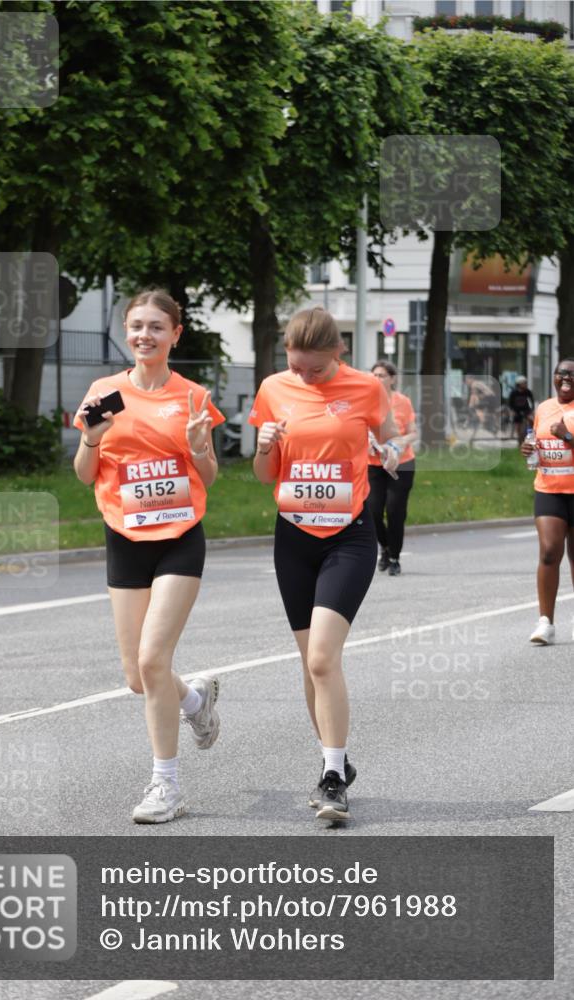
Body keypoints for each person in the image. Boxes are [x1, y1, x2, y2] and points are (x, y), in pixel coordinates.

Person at [73, 289, 225, 822]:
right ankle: (194, 701)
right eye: (136, 326)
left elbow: (209, 478)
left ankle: (167, 786)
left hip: (180, 537)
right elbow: (84, 474)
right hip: (124, 537)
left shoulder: (192, 397)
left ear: (175, 334)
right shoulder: (104, 392)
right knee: (137, 676)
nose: (145, 336)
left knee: (154, 660)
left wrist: (198, 445)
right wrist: (92, 439)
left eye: (157, 327)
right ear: (126, 331)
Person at [249, 307, 399, 822]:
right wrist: (264, 447)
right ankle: (336, 758)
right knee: (309, 664)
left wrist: (395, 450)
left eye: (315, 369)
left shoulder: (366, 389)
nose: (304, 378)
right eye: (297, 367)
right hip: (292, 536)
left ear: (338, 353)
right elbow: (264, 473)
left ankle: (332, 777)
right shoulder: (274, 388)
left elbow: (392, 435)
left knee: (321, 659)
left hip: (349, 537)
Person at [520, 359, 574, 645]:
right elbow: (537, 441)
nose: (566, 378)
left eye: (572, 375)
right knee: (550, 551)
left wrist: (566, 435)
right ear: (553, 377)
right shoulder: (543, 408)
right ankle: (546, 623)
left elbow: (563, 438)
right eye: (561, 373)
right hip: (549, 489)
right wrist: (528, 448)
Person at [367, 361, 418, 576]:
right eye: (374, 375)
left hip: (401, 463)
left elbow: (413, 432)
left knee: (395, 511)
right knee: (373, 511)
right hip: (373, 463)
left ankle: (395, 557)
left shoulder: (403, 402)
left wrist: (399, 443)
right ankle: (384, 547)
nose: (377, 379)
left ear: (392, 379)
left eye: (382, 375)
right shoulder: (366, 400)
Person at [508, 376, 534, 445]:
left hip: (526, 410)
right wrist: (513, 411)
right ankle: (520, 441)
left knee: (532, 421)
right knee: (518, 427)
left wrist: (531, 410)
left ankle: (530, 436)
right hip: (517, 411)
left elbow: (531, 401)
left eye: (526, 383)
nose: (526, 384)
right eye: (524, 383)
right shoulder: (514, 392)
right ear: (519, 384)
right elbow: (510, 403)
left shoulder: (527, 392)